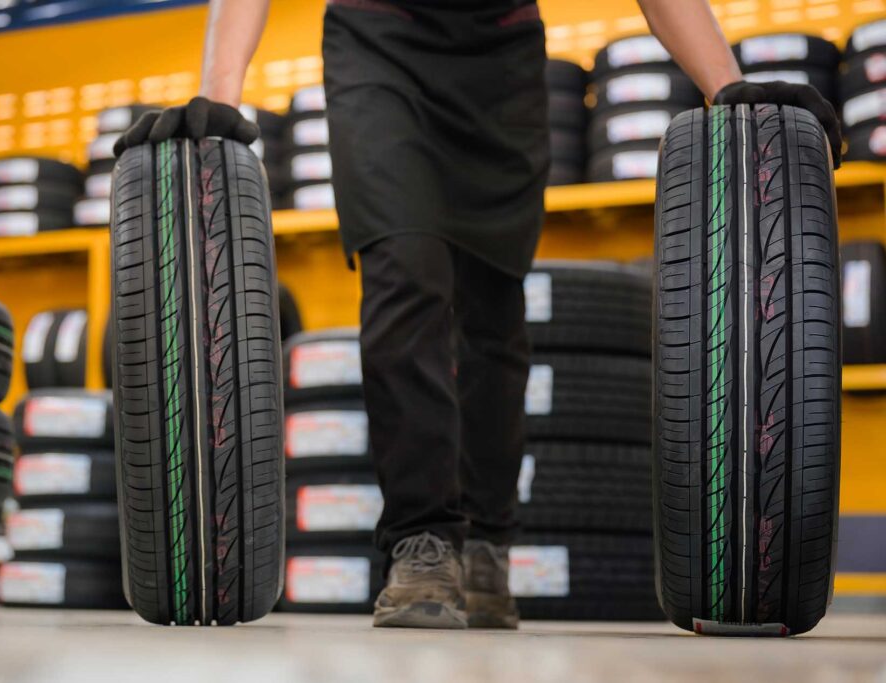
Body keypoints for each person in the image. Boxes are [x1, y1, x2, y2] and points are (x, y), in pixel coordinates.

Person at [115, 0, 842, 630]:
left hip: (503, 60)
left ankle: (488, 545)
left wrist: (727, 84)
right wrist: (219, 95)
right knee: (405, 272)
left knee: (496, 310)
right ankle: (420, 545)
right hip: (377, 45)